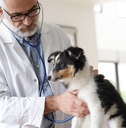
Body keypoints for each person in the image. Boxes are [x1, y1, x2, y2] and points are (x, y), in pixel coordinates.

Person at [0, 0, 98, 128]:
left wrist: (82, 79)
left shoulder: (56, 33)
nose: (28, 22)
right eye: (17, 16)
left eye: (32, 11)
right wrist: (54, 103)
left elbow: (68, 83)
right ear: (1, 12)